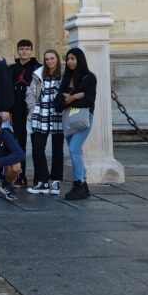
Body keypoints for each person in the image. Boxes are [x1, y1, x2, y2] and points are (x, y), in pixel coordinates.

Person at [57, 48, 97, 201]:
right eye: (68, 59)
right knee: (76, 151)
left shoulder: (89, 78)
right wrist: (76, 96)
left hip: (83, 119)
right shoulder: (66, 78)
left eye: (73, 58)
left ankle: (78, 184)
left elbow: (88, 101)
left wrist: (71, 98)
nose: (70, 62)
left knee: (74, 149)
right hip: (68, 119)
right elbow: (58, 102)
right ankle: (84, 185)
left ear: (80, 59)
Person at [27, 49, 64, 196]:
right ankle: (42, 181)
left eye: (52, 58)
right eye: (47, 59)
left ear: (57, 59)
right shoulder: (38, 74)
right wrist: (32, 109)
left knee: (57, 150)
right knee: (37, 149)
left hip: (58, 115)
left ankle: (55, 180)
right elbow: (30, 93)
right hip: (40, 115)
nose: (50, 61)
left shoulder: (64, 74)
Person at [9, 39, 40, 187]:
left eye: (27, 49)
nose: (24, 51)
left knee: (36, 144)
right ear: (17, 50)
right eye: (21, 49)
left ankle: (39, 177)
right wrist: (8, 110)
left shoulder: (38, 67)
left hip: (35, 110)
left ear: (31, 50)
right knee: (19, 143)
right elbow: (8, 90)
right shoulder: (12, 68)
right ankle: (21, 177)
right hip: (17, 110)